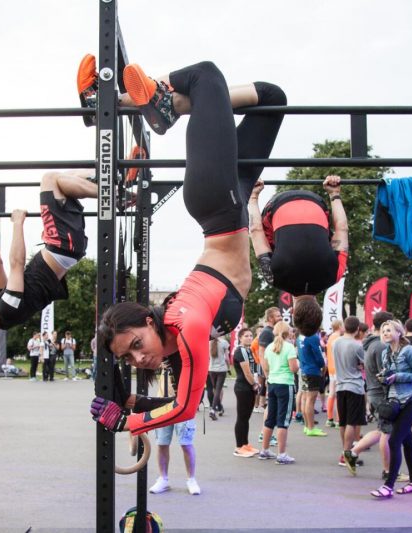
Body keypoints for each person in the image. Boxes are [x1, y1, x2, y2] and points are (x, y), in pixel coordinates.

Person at [92, 60, 286, 437]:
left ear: (150, 323)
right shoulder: (179, 342)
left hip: (217, 202)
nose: (138, 358)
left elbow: (183, 409)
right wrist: (129, 402)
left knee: (205, 76)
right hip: (236, 191)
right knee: (272, 99)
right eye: (128, 357)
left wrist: (124, 423)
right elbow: (184, 403)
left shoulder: (187, 325)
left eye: (136, 345)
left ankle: (154, 102)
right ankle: (164, 104)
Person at [0, 169, 97, 342]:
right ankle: (112, 194)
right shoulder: (8, 310)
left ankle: (111, 183)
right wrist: (18, 223)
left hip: (64, 247)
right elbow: (16, 263)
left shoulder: (2, 306)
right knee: (50, 179)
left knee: (65, 180)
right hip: (61, 245)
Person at [248, 173, 348, 346]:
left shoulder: (334, 276)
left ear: (319, 308)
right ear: (293, 311)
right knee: (267, 247)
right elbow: (256, 230)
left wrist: (334, 193)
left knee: (330, 241)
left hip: (316, 203)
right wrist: (253, 196)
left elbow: (342, 228)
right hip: (278, 204)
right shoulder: (274, 278)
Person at [369, 320, 412, 498]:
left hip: (410, 400)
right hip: (394, 401)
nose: (385, 333)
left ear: (399, 332)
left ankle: (388, 486)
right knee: (407, 443)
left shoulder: (409, 350)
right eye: (383, 331)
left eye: (389, 330)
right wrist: (384, 377)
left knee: (394, 441)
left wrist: (398, 376)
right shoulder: (386, 353)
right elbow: (389, 375)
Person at [348, 311, 398, 480]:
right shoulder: (381, 346)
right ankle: (388, 471)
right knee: (387, 432)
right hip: (380, 393)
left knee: (382, 429)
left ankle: (353, 453)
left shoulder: (371, 343)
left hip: (373, 391)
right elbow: (384, 374)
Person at [147, 354, 201, 496]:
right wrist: (158, 362)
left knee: (186, 443)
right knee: (162, 443)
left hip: (182, 405)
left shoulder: (185, 357)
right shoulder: (161, 354)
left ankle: (191, 479)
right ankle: (163, 478)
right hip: (163, 404)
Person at [258, 321, 298, 464]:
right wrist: (298, 364)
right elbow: (293, 368)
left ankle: (264, 450)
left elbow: (266, 366)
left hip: (272, 383)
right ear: (288, 332)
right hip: (285, 384)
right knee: (283, 420)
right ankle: (282, 454)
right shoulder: (289, 347)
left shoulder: (270, 347)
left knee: (270, 418)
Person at [333, 316, 367, 472]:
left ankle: (344, 452)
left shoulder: (336, 342)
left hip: (340, 384)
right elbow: (365, 364)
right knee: (352, 422)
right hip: (354, 385)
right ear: (358, 329)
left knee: (343, 422)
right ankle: (347, 454)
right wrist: (360, 366)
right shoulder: (356, 345)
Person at [232, 328, 260, 457]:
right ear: (240, 338)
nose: (249, 338)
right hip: (242, 387)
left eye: (250, 335)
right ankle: (239, 447)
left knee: (246, 418)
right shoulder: (240, 351)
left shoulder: (248, 350)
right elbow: (247, 372)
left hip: (248, 387)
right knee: (241, 418)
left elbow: (254, 369)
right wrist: (254, 384)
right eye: (246, 336)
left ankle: (245, 444)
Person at [297, 327, 327, 437]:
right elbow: (318, 355)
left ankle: (307, 426)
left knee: (305, 398)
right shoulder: (313, 337)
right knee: (310, 400)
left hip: (304, 369)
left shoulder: (300, 336)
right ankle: (311, 427)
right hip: (312, 371)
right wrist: (323, 365)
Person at [324, 319, 343, 428]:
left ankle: (330, 418)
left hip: (331, 368)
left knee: (332, 393)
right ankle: (338, 420)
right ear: (339, 326)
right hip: (338, 369)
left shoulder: (331, 337)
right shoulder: (338, 338)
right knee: (338, 395)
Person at [206, 335, 230, 420]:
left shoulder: (208, 343)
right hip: (221, 369)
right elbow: (227, 358)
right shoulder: (224, 342)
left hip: (211, 369)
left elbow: (207, 357)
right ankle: (213, 410)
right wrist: (229, 368)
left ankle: (220, 408)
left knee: (215, 389)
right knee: (218, 390)